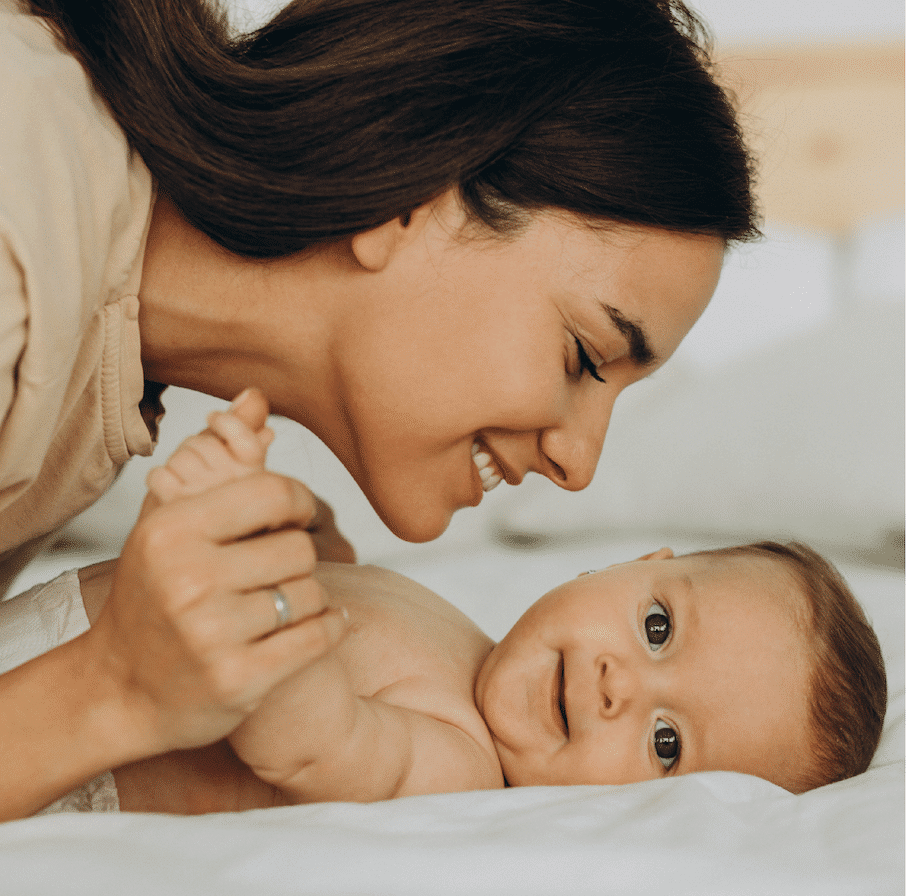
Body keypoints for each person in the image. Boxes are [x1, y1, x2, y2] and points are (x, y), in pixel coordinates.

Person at [1, 0, 758, 818]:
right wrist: (110, 688)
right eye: (583, 356)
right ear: (410, 196)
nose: (580, 465)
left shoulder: (96, 384)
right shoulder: (22, 243)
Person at [5, 392, 885, 816]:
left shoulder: (459, 764)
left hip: (56, 761)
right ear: (628, 565)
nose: (621, 685)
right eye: (657, 627)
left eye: (666, 743)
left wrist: (248, 566)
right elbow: (363, 628)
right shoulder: (458, 640)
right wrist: (313, 550)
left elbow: (308, 741)